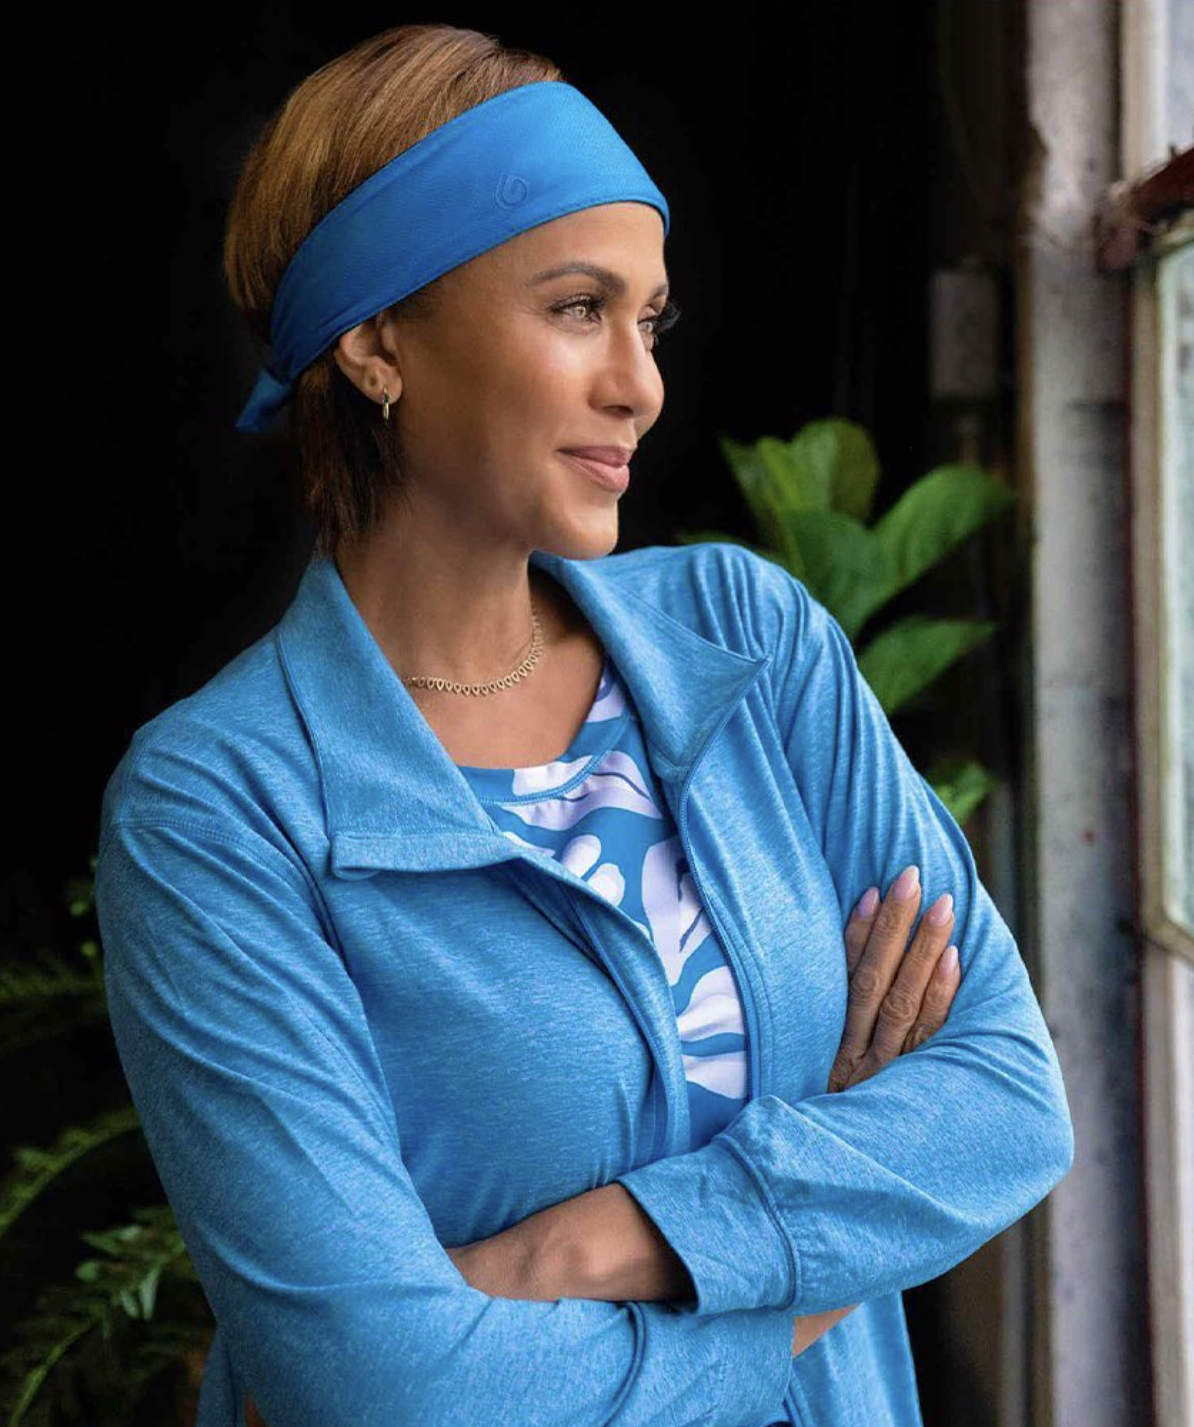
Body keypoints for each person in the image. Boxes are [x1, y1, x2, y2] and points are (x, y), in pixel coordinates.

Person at [95, 23, 1075, 1427]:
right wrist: (812, 1265)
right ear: (376, 340)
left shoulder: (747, 638)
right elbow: (387, 1388)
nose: (641, 382)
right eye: (574, 309)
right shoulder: (216, 812)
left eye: (649, 317)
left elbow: (1002, 1099)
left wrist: (595, 1238)